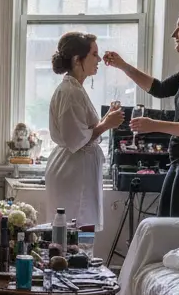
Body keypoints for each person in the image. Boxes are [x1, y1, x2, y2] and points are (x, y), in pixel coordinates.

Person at [104, 6, 179, 218]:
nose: (174, 34)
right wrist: (123, 65)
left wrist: (154, 125)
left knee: (175, 233)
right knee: (164, 225)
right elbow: (160, 89)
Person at [44, 32, 123, 232]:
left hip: (77, 168)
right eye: (94, 54)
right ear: (77, 60)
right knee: (74, 231)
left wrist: (107, 119)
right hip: (73, 169)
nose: (98, 59)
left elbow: (83, 131)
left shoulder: (75, 89)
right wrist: (106, 124)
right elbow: (76, 139)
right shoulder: (70, 92)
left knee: (79, 229)